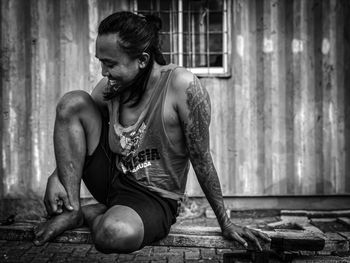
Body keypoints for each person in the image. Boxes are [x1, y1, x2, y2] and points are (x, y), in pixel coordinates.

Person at [33, 11, 270, 253]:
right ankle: (74, 211)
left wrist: (225, 222)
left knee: (112, 234)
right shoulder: (111, 87)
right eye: (101, 62)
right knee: (73, 103)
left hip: (153, 197)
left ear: (143, 60)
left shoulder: (182, 87)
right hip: (110, 180)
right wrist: (58, 177)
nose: (104, 72)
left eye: (111, 64)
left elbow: (202, 160)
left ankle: (93, 215)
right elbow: (77, 134)